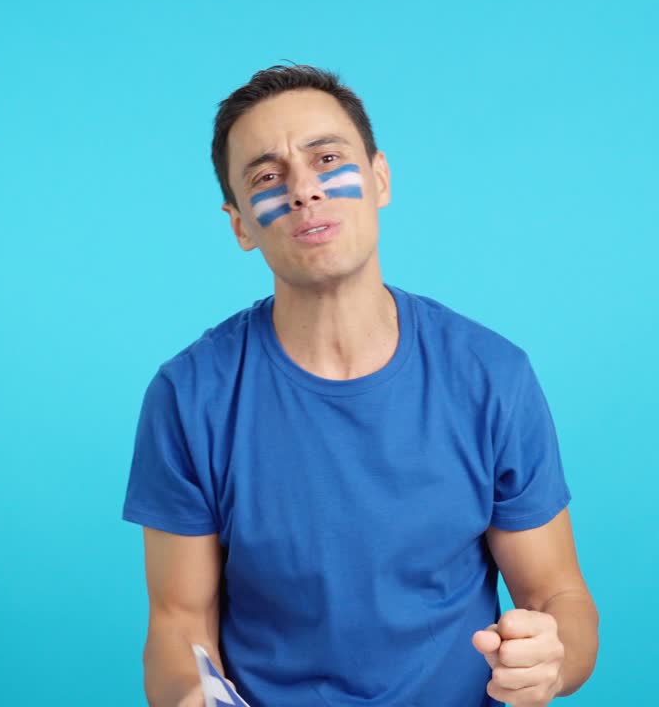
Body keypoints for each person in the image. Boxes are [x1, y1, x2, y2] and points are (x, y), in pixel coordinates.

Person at [122, 64, 599, 707]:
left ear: (379, 179)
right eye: (267, 177)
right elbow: (179, 623)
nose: (303, 191)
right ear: (239, 224)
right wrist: (186, 695)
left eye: (326, 158)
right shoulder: (188, 397)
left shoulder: (492, 376)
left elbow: (557, 595)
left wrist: (552, 658)